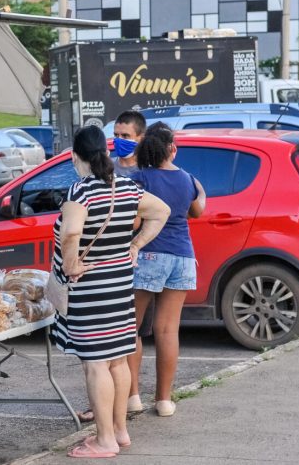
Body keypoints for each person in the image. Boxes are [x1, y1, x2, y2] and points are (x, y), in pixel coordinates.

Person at [50, 126, 169, 458]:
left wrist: (72, 264)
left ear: (77, 156)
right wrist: (135, 245)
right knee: (117, 361)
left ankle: (104, 440)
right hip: (119, 284)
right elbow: (162, 212)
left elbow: (71, 232)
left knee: (96, 364)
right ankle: (119, 431)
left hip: (90, 289)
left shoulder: (81, 192)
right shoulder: (126, 187)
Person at [127, 123, 206, 418]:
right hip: (183, 257)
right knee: (167, 330)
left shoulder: (140, 178)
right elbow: (197, 211)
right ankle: (164, 401)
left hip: (149, 255)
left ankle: (133, 396)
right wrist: (201, 192)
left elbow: (135, 222)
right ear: (172, 148)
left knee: (130, 329)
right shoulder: (188, 179)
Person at [112, 110, 146, 178]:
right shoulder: (106, 169)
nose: (119, 140)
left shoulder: (149, 170)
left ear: (141, 138)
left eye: (125, 136)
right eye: (116, 135)